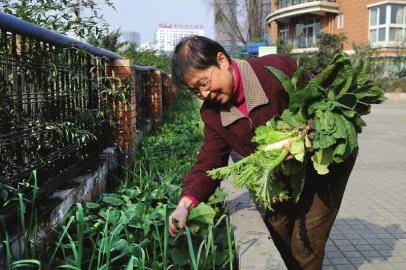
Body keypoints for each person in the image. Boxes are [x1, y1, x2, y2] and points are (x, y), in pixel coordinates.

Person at [168, 35, 356, 270]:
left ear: (222, 60)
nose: (203, 94)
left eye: (204, 83)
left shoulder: (274, 70)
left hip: (325, 163)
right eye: (196, 91)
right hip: (283, 175)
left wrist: (306, 137)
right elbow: (210, 160)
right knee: (277, 226)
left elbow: (322, 104)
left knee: (305, 244)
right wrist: (185, 203)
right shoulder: (213, 113)